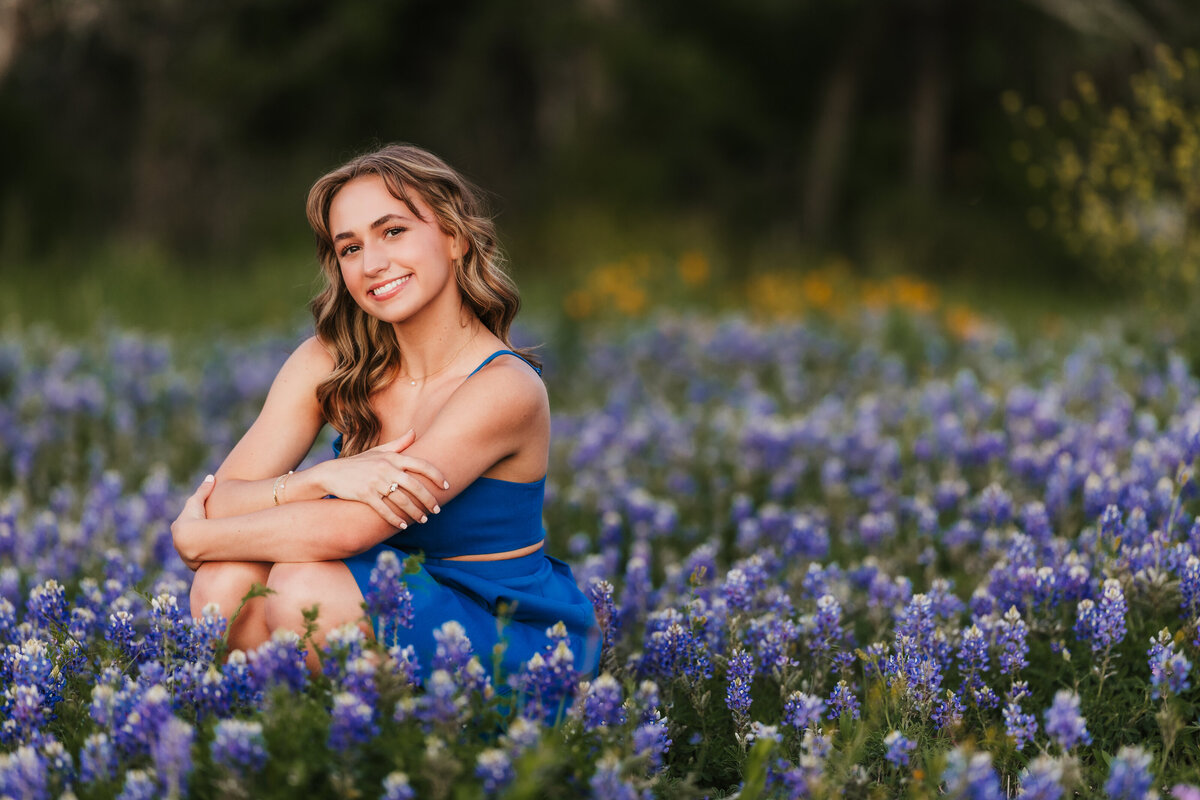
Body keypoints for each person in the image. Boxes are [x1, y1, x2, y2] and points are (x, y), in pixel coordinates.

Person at [171, 143, 600, 686]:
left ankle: (408, 750)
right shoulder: (329, 361)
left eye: (392, 231)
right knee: (224, 583)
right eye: (349, 248)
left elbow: (352, 527)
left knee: (300, 588)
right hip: (375, 592)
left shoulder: (504, 387)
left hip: (495, 630)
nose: (372, 263)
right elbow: (223, 496)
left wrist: (197, 541)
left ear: (454, 236)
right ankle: (295, 745)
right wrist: (320, 479)